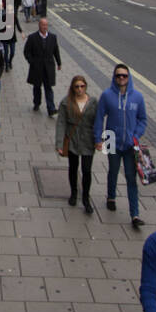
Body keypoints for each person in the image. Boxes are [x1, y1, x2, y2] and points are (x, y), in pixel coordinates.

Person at [93, 63, 148, 229]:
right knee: (113, 170)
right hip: (111, 139)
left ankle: (135, 214)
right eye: (118, 76)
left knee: (131, 178)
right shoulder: (107, 95)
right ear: (114, 77)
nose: (121, 78)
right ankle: (111, 196)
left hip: (130, 144)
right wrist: (98, 138)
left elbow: (143, 119)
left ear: (128, 77)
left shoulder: (137, 97)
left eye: (124, 75)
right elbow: (99, 117)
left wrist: (136, 136)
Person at [55, 75, 98, 212]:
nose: (80, 89)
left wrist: (100, 140)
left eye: (82, 86)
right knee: (73, 169)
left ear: (86, 86)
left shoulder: (93, 102)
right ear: (72, 88)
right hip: (72, 139)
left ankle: (85, 198)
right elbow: (61, 123)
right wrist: (59, 144)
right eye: (77, 86)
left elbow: (98, 123)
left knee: (86, 170)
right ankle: (74, 193)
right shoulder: (66, 102)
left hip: (87, 140)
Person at [23, 17, 61, 116]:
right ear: (39, 25)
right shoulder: (32, 37)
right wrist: (32, 62)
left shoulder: (53, 37)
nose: (44, 27)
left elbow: (56, 51)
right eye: (43, 25)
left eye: (46, 25)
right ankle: (36, 103)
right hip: (37, 68)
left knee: (48, 88)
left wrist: (59, 63)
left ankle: (51, 109)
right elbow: (26, 52)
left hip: (48, 68)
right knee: (37, 87)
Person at [0, 0, 21, 71]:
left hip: (12, 37)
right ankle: (6, 66)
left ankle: (9, 62)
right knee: (6, 52)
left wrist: (22, 32)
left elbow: (18, 25)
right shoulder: (4, 16)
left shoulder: (14, 17)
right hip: (5, 37)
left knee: (12, 52)